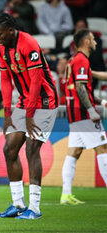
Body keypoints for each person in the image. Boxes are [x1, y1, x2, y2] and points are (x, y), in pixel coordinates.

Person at [0, 13, 58, 219]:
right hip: (24, 101)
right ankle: (18, 204)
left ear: (11, 31)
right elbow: (4, 79)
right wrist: (7, 112)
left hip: (45, 101)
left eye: (0, 34)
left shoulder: (29, 43)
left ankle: (35, 208)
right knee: (9, 149)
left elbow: (37, 82)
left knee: (32, 148)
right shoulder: (1, 47)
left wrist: (29, 115)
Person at [60, 29, 107, 205]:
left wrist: (101, 103)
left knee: (74, 152)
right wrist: (92, 110)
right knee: (103, 148)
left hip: (75, 114)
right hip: (84, 114)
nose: (96, 43)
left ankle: (66, 195)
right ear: (86, 41)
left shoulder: (73, 61)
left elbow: (81, 88)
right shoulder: (81, 60)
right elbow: (80, 88)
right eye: (94, 39)